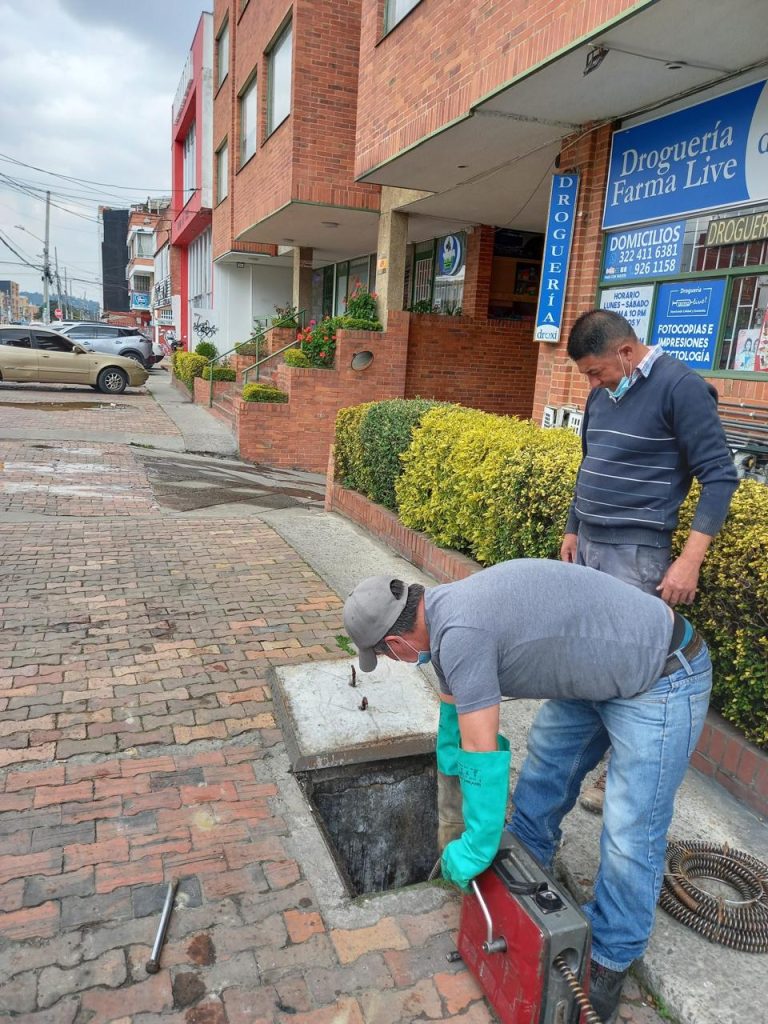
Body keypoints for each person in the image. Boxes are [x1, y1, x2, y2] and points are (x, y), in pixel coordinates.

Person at [343, 560, 712, 1024]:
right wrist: (450, 797)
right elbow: (454, 726)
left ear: (397, 644)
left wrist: (476, 845)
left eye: (388, 657)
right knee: (542, 777)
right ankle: (524, 881)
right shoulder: (440, 616)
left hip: (661, 674)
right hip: (597, 671)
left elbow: (481, 753)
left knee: (630, 830)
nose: (396, 661)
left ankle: (610, 958)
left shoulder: (461, 635)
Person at [561, 309, 737, 812]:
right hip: (590, 543)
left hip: (636, 554)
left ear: (625, 352)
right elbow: (590, 462)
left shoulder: (681, 388)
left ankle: (616, 770)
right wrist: (573, 527)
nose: (592, 384)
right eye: (586, 376)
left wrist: (689, 561)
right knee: (588, 653)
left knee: (630, 663)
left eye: (596, 372)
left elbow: (720, 476)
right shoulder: (602, 393)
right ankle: (580, 752)